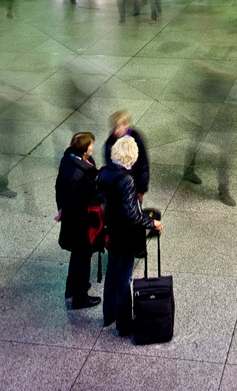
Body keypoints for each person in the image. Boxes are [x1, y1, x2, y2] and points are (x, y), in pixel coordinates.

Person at [98, 135, 162, 336]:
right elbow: (132, 215)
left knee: (111, 274)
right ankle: (124, 324)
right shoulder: (127, 181)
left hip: (111, 232)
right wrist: (153, 223)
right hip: (125, 236)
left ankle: (109, 315)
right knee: (124, 279)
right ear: (131, 157)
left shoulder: (105, 173)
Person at [56, 132, 102, 309]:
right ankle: (80, 297)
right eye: (91, 145)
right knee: (82, 257)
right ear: (84, 149)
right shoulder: (80, 174)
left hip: (71, 220)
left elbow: (59, 187)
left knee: (77, 255)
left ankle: (71, 288)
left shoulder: (67, 160)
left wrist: (60, 209)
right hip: (81, 223)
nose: (92, 147)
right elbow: (85, 197)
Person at [104, 111, 150, 199]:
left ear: (126, 125)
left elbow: (143, 164)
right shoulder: (110, 142)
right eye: (115, 126)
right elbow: (110, 165)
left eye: (120, 125)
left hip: (134, 183)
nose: (117, 130)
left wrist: (142, 189)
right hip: (118, 186)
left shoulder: (136, 138)